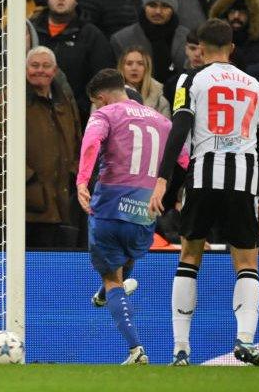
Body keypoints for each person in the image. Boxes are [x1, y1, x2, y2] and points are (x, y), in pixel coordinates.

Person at [149, 19, 259, 367]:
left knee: (190, 255)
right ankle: (246, 341)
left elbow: (179, 128)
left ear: (200, 48)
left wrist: (164, 179)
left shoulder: (190, 79)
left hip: (204, 174)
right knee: (247, 262)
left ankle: (180, 349)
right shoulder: (255, 84)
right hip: (244, 179)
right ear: (232, 48)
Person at [77, 69, 182, 365]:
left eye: (96, 102)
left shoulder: (106, 114)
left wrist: (82, 181)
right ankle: (103, 294)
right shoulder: (163, 121)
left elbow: (91, 144)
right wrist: (175, 193)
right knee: (126, 255)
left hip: (110, 202)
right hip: (145, 207)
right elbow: (184, 158)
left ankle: (135, 349)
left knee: (113, 278)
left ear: (100, 97)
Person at [31, 0, 116, 117]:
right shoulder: (31, 30)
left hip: (77, 116)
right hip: (33, 112)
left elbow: (103, 78)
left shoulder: (91, 35)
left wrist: (78, 108)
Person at [25, 46, 81, 248]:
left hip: (62, 203)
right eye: (34, 65)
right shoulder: (10, 99)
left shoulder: (65, 102)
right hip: (26, 206)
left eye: (46, 66)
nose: (40, 70)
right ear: (24, 69)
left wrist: (73, 172)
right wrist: (29, 179)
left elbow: (78, 139)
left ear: (55, 71)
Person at [110, 0, 190, 84]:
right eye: (152, 5)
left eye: (165, 6)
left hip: (179, 96)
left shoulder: (187, 38)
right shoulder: (122, 40)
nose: (158, 11)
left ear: (173, 9)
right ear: (144, 6)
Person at [117, 47, 171, 117]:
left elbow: (166, 126)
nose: (134, 68)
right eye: (129, 63)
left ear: (147, 68)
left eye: (140, 64)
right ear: (122, 68)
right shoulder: (109, 95)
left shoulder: (160, 100)